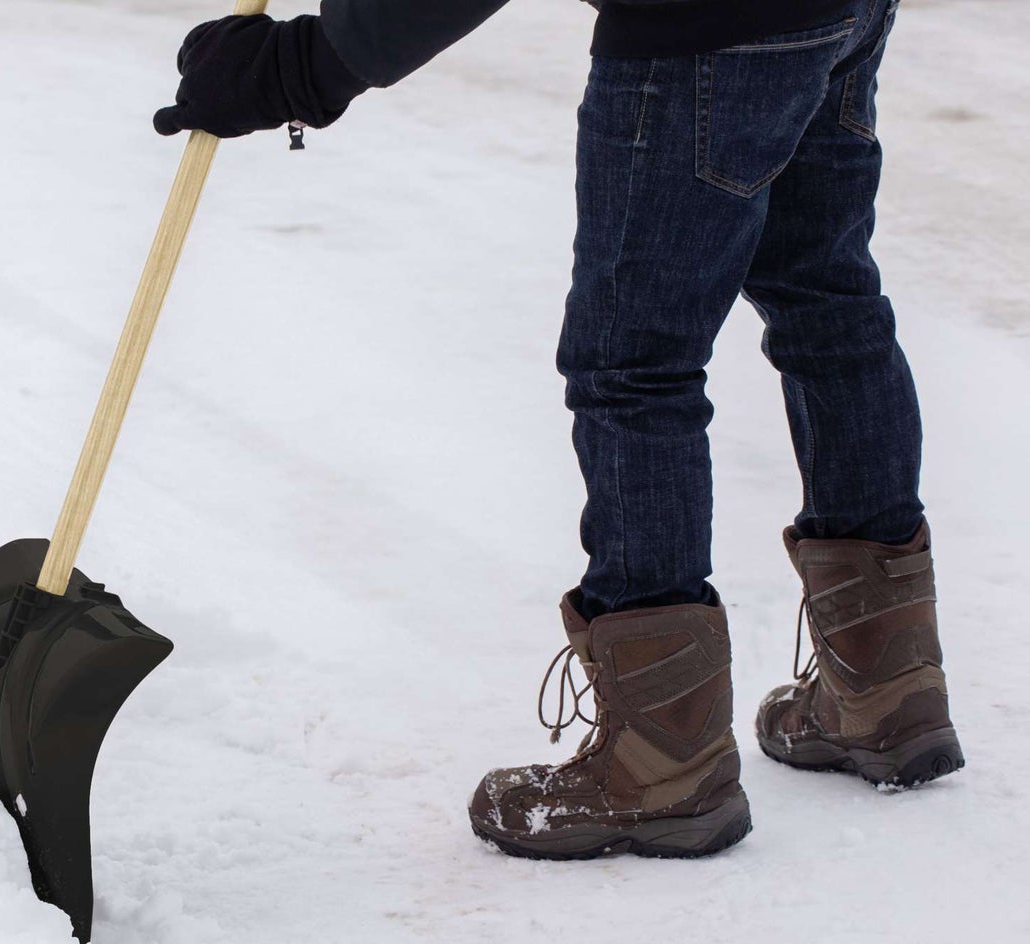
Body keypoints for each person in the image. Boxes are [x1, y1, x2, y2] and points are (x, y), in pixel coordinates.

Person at [155, 0, 964, 861]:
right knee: (824, 294)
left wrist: (313, 62)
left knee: (635, 358)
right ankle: (886, 684)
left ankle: (663, 758)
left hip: (703, 29)